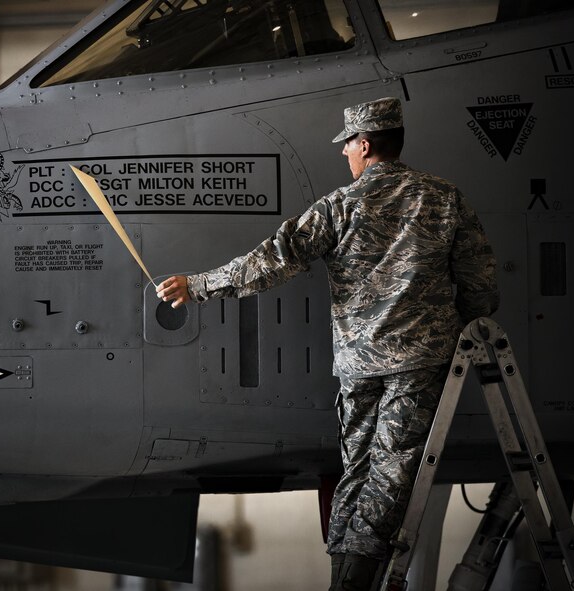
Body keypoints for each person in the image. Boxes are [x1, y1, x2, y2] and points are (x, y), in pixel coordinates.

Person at [156, 97, 499, 590]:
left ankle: (344, 576)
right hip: (422, 362)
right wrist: (459, 327)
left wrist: (199, 285)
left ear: (365, 144)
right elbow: (480, 282)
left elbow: (273, 260)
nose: (344, 155)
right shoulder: (444, 198)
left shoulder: (341, 206)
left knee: (357, 468)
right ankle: (354, 580)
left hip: (359, 365)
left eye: (348, 146)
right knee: (393, 470)